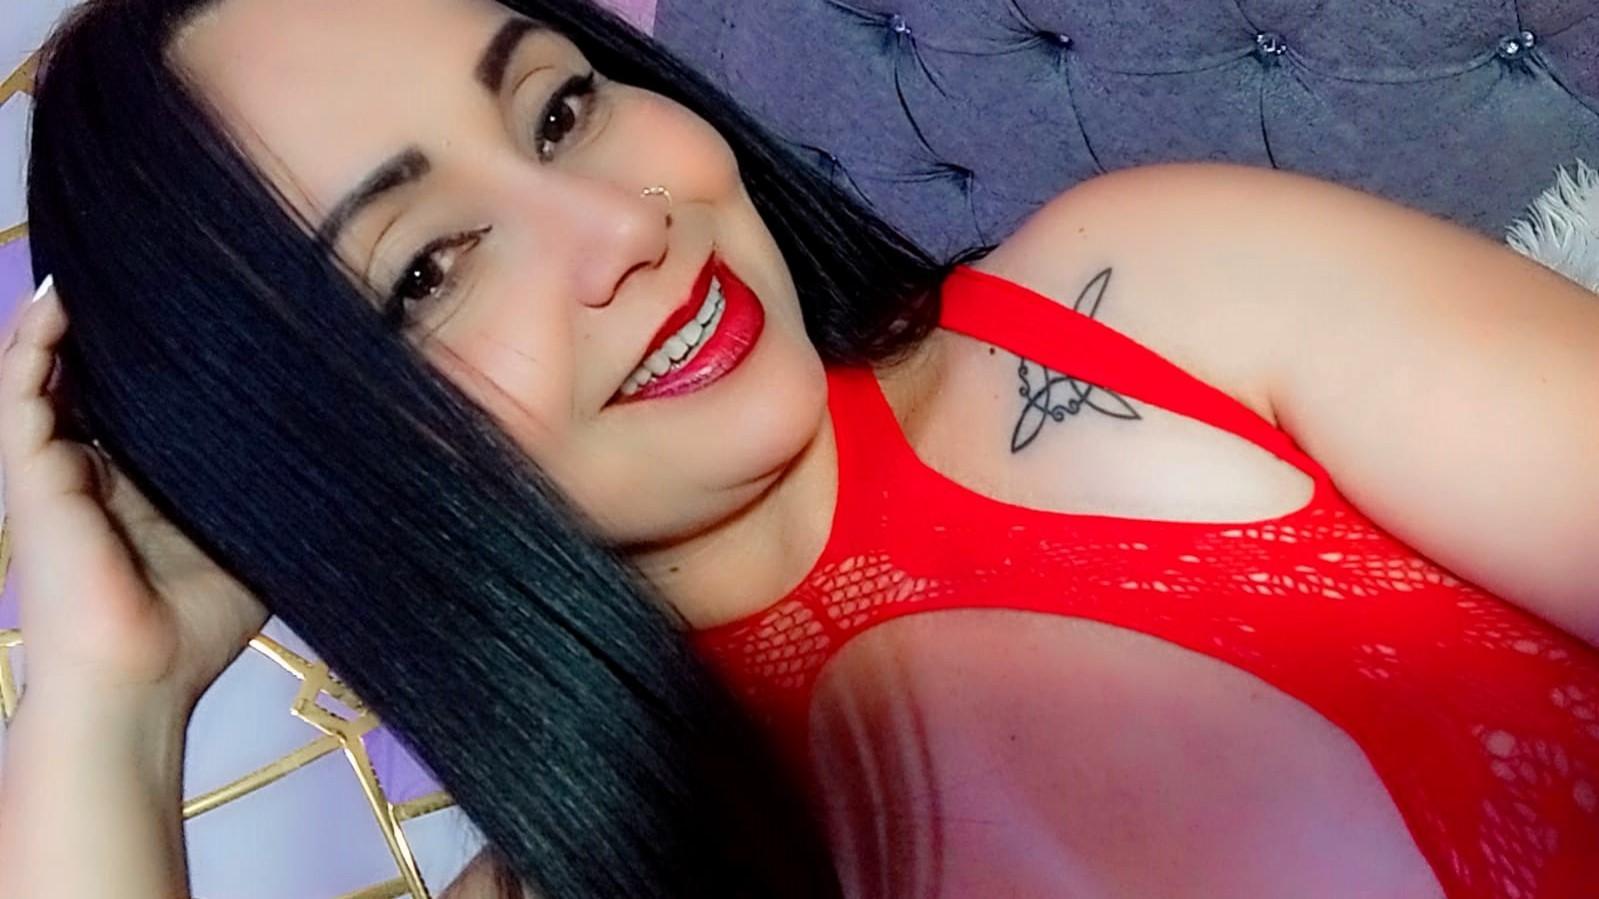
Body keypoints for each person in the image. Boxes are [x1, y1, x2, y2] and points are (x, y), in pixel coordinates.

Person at [0, 0, 1596, 897]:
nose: (624, 226)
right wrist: (105, 705)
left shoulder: (1166, 295)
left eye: (559, 110)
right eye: (427, 269)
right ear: (316, 445)